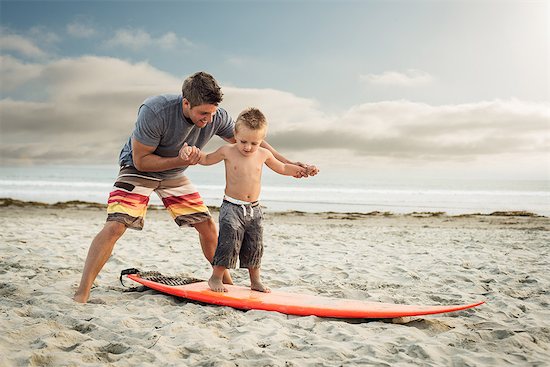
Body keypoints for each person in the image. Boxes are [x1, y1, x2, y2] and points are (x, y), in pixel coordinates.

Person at [73, 72, 318, 303]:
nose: (209, 120)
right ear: (186, 103)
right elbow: (141, 160)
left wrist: (288, 163)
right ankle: (82, 294)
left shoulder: (216, 116)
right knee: (116, 225)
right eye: (203, 114)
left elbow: (253, 142)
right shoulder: (155, 111)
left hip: (174, 174)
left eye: (212, 114)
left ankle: (228, 288)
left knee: (208, 226)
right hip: (138, 170)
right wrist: (182, 160)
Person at [190, 107, 308, 293]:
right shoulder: (227, 151)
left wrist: (302, 170)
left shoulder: (264, 154)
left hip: (254, 209)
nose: (247, 147)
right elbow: (206, 159)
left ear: (261, 141)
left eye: (254, 143)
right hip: (232, 207)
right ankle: (216, 277)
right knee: (228, 243)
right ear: (235, 134)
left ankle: (255, 281)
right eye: (243, 141)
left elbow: (283, 168)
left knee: (255, 245)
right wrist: (193, 154)